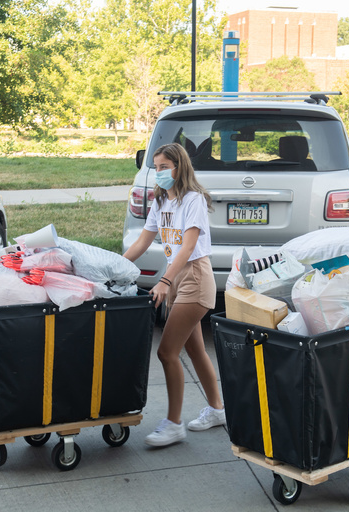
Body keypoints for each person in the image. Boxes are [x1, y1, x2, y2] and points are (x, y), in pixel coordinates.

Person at [123, 143, 226, 447]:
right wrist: (116, 266)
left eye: (165, 167)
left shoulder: (191, 200)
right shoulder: (160, 201)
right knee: (194, 350)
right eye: (156, 167)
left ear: (179, 167)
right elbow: (143, 240)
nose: (160, 172)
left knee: (166, 352)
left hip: (194, 277)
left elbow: (189, 246)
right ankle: (218, 409)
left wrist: (164, 281)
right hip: (177, 276)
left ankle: (173, 424)